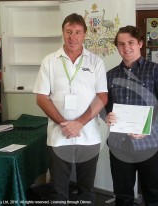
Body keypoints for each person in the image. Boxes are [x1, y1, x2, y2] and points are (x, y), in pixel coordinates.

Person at [33, 13, 108, 205]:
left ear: (84, 35)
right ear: (63, 33)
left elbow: (102, 97)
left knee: (86, 190)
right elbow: (41, 98)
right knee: (58, 190)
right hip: (59, 135)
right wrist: (65, 124)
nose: (72, 37)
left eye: (77, 32)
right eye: (68, 32)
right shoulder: (49, 61)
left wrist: (79, 123)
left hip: (89, 135)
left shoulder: (95, 62)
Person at [105, 26, 158, 206]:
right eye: (121, 44)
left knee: (153, 195)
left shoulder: (156, 71)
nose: (126, 48)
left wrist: (150, 127)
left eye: (131, 43)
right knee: (122, 196)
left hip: (150, 144)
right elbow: (105, 104)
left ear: (140, 44)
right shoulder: (110, 75)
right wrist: (107, 116)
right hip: (120, 145)